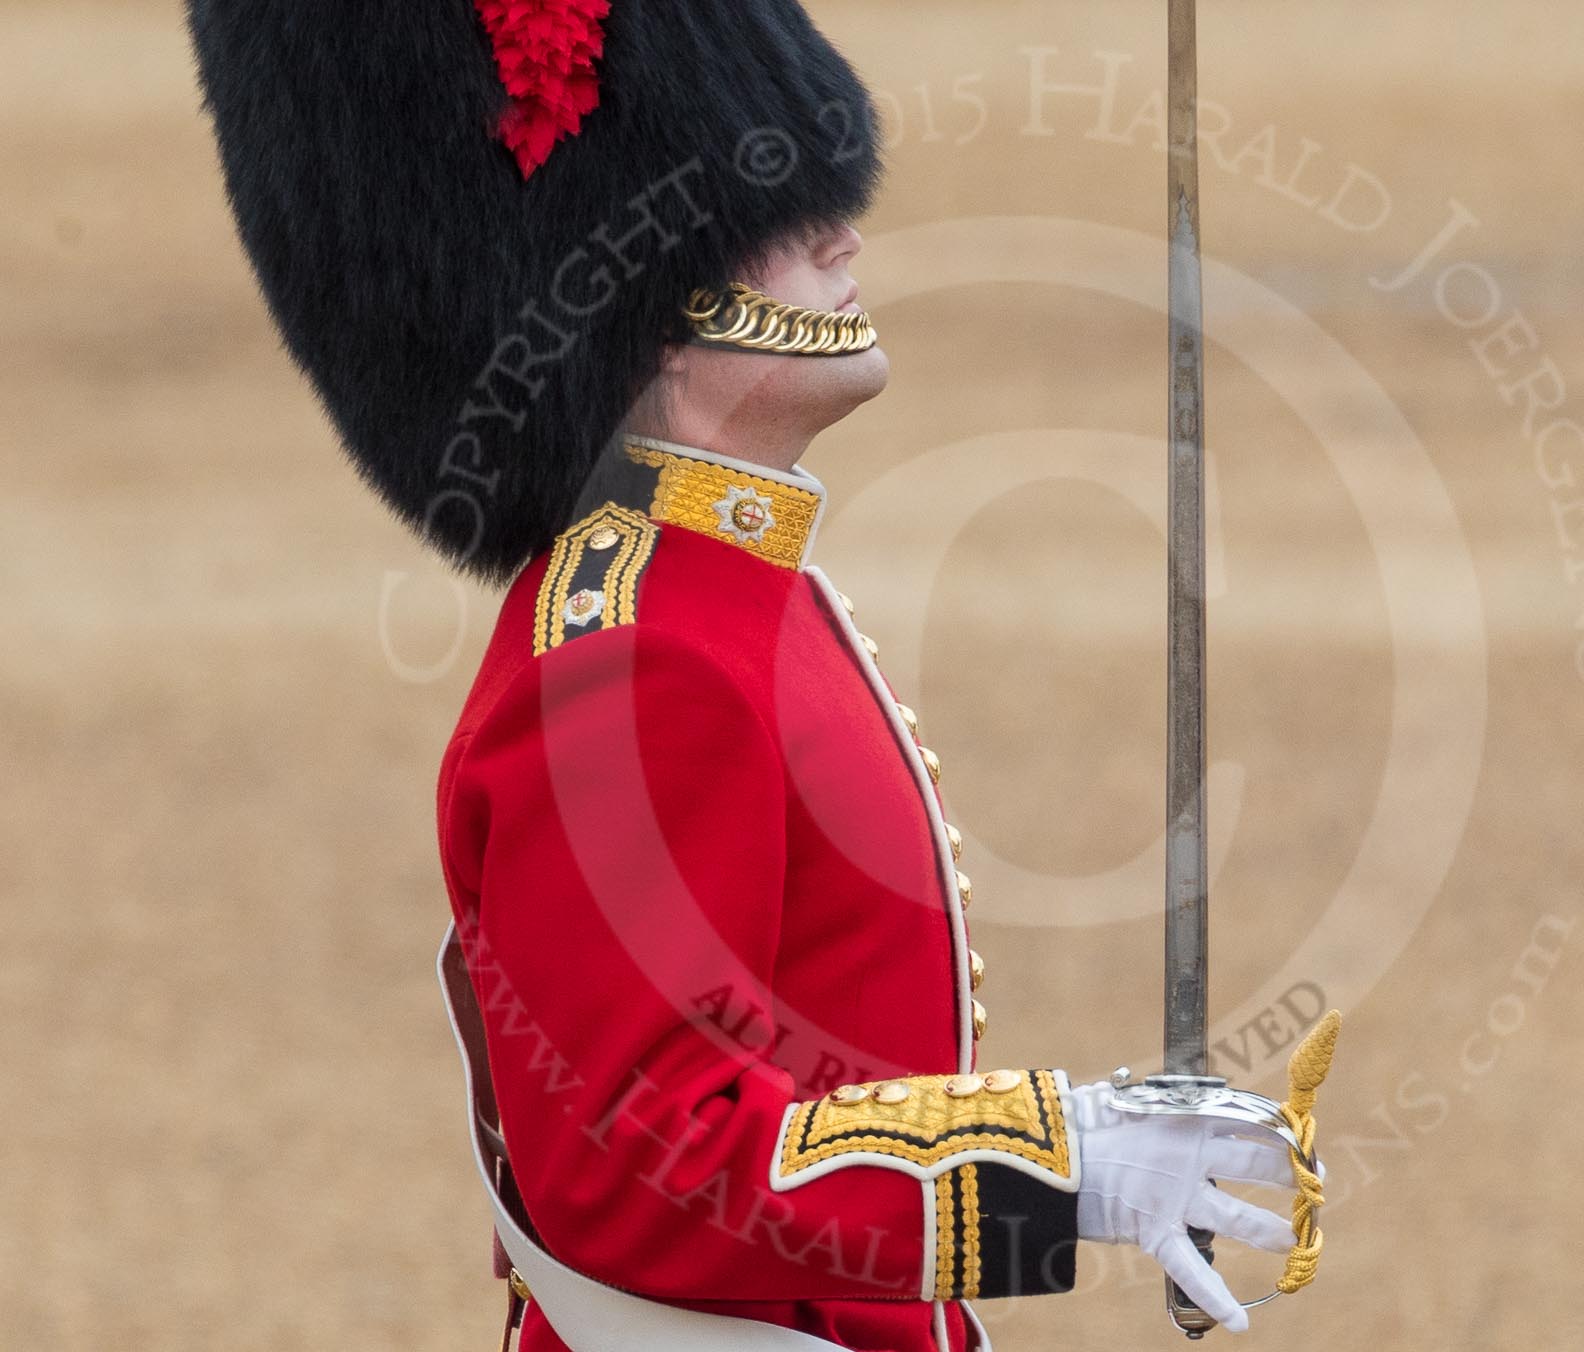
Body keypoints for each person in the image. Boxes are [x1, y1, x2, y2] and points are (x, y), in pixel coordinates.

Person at [188, 4, 1311, 1348]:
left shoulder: (719, 597)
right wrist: (1055, 1171)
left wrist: (1087, 1147)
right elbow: (636, 1167)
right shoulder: (632, 661)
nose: (841, 234)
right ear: (638, 303)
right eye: (773, 213)